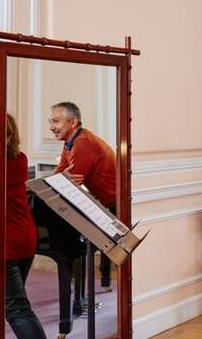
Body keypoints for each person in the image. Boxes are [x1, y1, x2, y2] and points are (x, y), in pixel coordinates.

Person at [49, 101, 116, 287]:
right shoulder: (70, 142)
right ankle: (91, 285)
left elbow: (66, 183)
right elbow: (59, 175)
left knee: (75, 243)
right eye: (50, 122)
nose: (51, 127)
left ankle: (77, 290)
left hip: (114, 206)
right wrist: (62, 178)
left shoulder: (83, 143)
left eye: (56, 121)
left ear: (73, 122)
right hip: (105, 202)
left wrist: (62, 178)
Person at [5, 113, 47, 339]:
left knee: (17, 309)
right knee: (12, 304)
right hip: (26, 237)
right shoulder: (20, 159)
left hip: (7, 242)